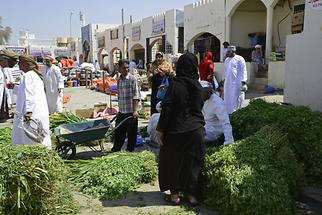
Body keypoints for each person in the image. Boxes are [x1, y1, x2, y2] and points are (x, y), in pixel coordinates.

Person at [156, 53, 205, 206]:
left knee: (172, 162)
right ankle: (192, 195)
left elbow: (167, 109)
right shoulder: (198, 86)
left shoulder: (175, 84)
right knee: (192, 163)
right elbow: (199, 107)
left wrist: (160, 129)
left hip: (176, 130)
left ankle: (175, 194)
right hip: (195, 130)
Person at [11, 54, 51, 149]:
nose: (18, 64)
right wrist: (14, 87)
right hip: (38, 110)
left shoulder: (28, 75)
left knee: (30, 136)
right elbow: (24, 91)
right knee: (39, 134)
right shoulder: (34, 75)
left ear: (25, 64)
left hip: (32, 111)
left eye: (20, 62)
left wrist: (28, 111)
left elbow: (29, 94)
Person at [111, 59, 140, 152]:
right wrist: (119, 110)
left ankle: (130, 151)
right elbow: (120, 95)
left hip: (131, 112)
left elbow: (136, 95)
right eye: (124, 68)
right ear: (119, 69)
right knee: (119, 132)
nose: (126, 70)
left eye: (127, 68)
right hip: (122, 111)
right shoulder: (119, 80)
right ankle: (116, 149)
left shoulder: (132, 79)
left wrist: (135, 111)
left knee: (131, 134)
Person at [200, 81, 234, 145]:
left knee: (194, 136)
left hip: (214, 131)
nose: (200, 95)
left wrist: (228, 141)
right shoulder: (203, 99)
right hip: (204, 126)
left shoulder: (217, 104)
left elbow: (225, 122)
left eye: (202, 93)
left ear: (208, 92)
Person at [223, 46, 248, 114]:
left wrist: (243, 81)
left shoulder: (240, 58)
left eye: (228, 51)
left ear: (233, 51)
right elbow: (225, 71)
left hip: (237, 82)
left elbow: (244, 70)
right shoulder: (227, 59)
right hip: (228, 82)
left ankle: (237, 112)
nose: (227, 53)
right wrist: (223, 80)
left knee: (237, 97)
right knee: (227, 96)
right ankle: (228, 112)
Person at [0, 51, 10, 122]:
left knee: (3, 103)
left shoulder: (2, 69)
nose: (6, 63)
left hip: (3, 89)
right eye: (5, 61)